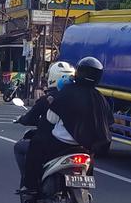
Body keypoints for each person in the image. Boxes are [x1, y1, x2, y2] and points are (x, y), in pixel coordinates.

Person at [17, 57, 112, 194]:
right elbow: (108, 123)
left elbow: (51, 118)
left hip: (61, 143)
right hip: (89, 146)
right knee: (90, 157)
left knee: (35, 146)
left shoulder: (66, 93)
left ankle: (30, 186)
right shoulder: (100, 98)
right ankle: (85, 186)